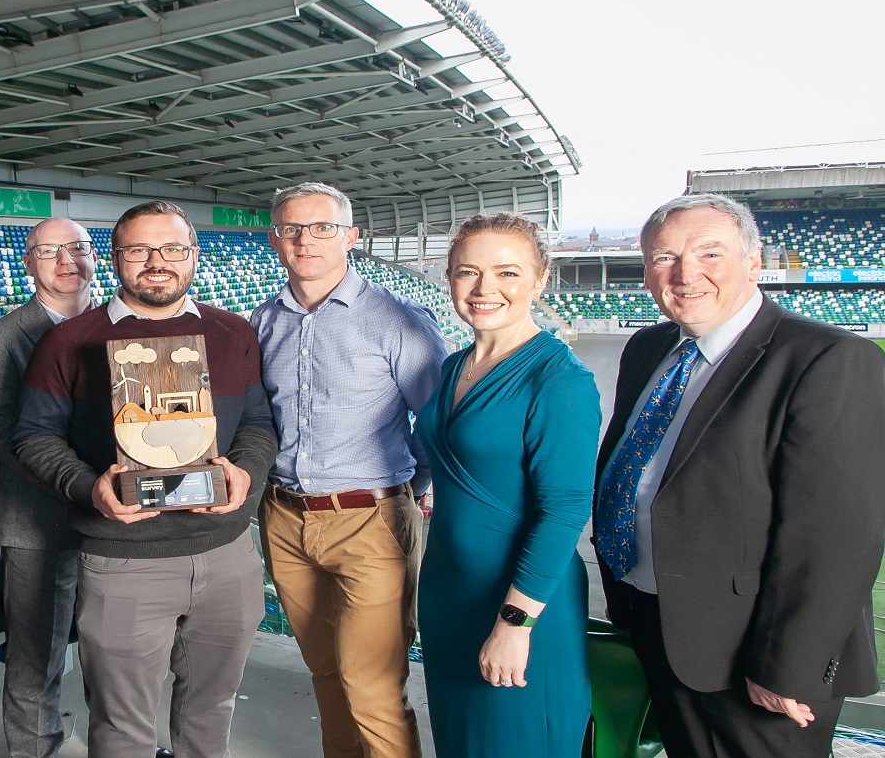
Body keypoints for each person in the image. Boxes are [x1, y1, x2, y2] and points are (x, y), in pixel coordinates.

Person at [594, 193, 885, 757]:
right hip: (661, 624)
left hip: (757, 656)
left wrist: (786, 666)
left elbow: (837, 536)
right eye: (663, 258)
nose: (685, 275)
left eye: (710, 254)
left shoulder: (827, 360)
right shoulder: (650, 347)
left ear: (754, 263)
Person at [15, 201, 278, 757]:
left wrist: (244, 472)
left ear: (194, 256)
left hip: (226, 554)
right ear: (115, 259)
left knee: (212, 709)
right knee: (120, 724)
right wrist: (91, 487)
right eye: (139, 249)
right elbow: (32, 439)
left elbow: (257, 424)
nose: (157, 261)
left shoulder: (234, 334)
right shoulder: (67, 341)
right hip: (124, 560)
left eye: (173, 248)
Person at [250, 182, 445, 758]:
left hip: (371, 518)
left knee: (373, 686)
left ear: (351, 237)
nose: (305, 240)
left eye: (322, 228)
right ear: (275, 240)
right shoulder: (264, 322)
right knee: (327, 675)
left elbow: (435, 422)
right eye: (292, 229)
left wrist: (411, 490)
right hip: (285, 518)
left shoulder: (397, 321)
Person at [414, 214, 600, 756]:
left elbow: (564, 511)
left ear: (539, 280)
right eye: (467, 273)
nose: (484, 289)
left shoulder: (560, 379)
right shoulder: (453, 367)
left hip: (521, 603)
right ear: (447, 278)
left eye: (507, 273)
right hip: (450, 593)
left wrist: (515, 624)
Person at [0, 218, 98, 758]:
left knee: (115, 654)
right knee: (34, 659)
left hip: (124, 525)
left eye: (79, 248)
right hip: (37, 522)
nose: (67, 260)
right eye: (50, 251)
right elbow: (0, 437)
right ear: (28, 262)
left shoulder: (123, 327)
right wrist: (86, 488)